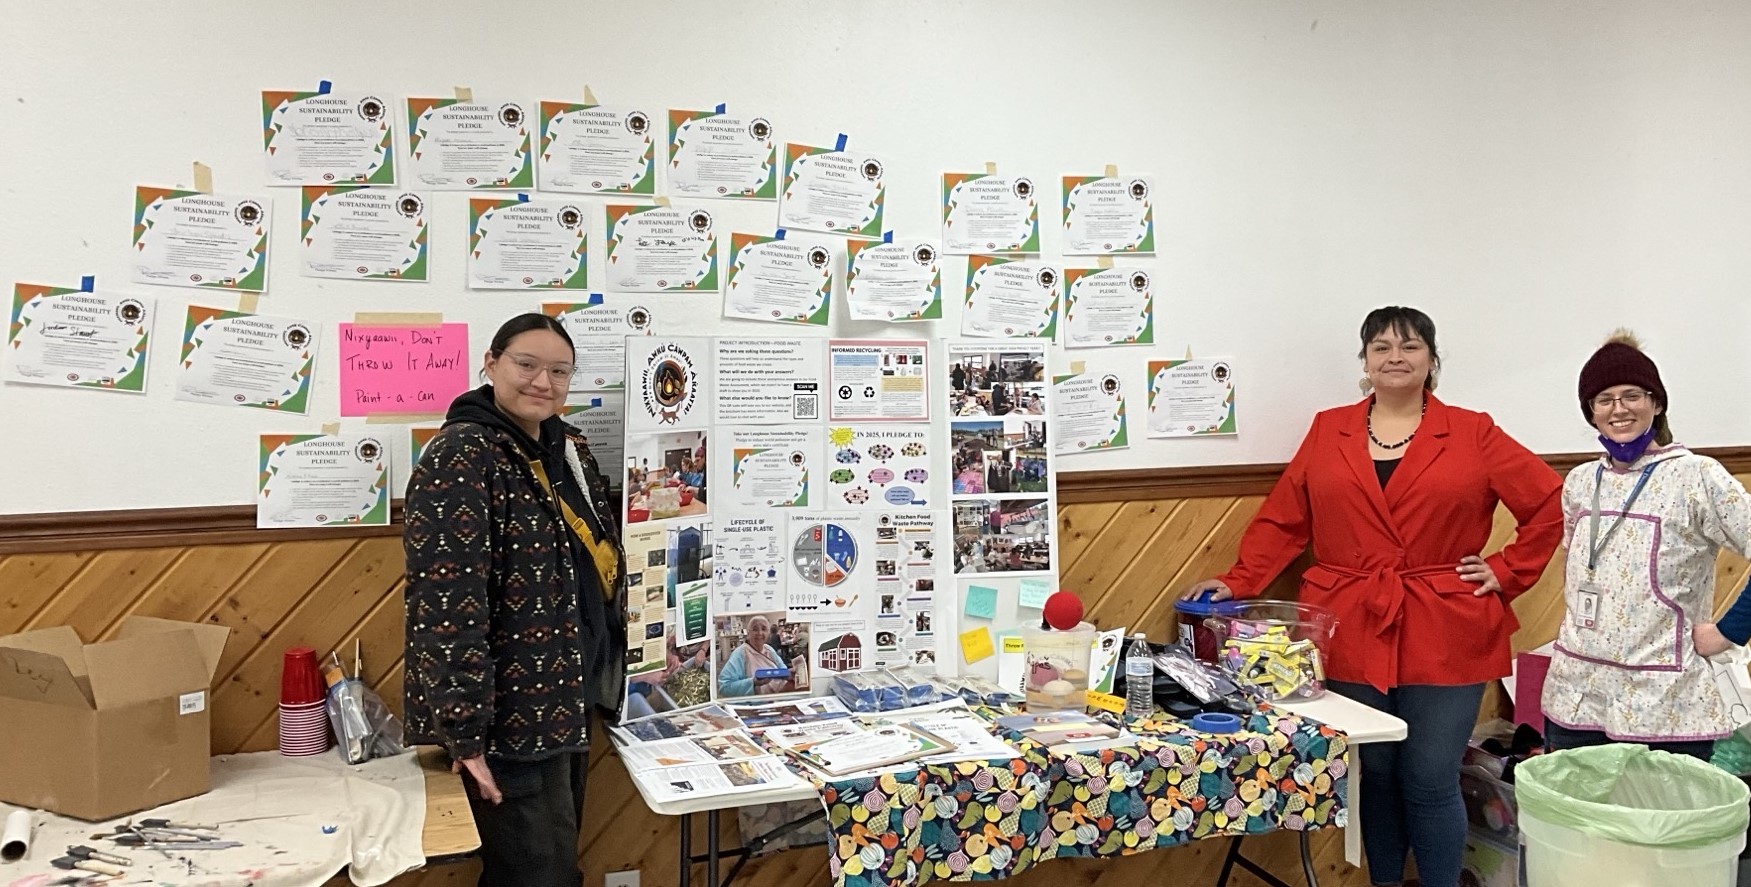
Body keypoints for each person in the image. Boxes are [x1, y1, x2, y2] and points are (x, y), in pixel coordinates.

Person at [1180, 306, 1562, 887]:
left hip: (1446, 620)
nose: (1395, 357)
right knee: (1376, 773)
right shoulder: (1328, 428)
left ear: (1432, 360)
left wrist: (1506, 571)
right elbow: (1286, 519)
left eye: (1410, 346)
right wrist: (1240, 579)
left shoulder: (1473, 430)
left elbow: (1549, 504)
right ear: (1365, 362)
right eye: (1381, 347)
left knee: (1431, 776)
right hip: (1349, 619)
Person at [403, 313, 625, 887]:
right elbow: (445, 606)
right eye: (526, 365)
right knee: (536, 874)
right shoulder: (460, 456)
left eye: (559, 371)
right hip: (506, 716)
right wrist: (463, 730)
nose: (542, 382)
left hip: (568, 695)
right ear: (491, 363)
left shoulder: (568, 447)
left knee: (547, 867)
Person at [1542, 331, 1751, 759]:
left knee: (1662, 823)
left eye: (1632, 395)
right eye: (1604, 399)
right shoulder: (1581, 482)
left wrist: (1731, 631)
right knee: (1582, 822)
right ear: (1591, 413)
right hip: (1577, 695)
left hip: (1666, 702)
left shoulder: (1696, 477)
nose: (1618, 409)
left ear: (1656, 403)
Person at [718, 615, 803, 696]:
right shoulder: (740, 653)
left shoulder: (769, 649)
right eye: (755, 629)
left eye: (764, 629)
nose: (760, 633)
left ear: (768, 633)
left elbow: (782, 670)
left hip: (779, 697)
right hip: (756, 704)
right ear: (748, 633)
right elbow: (724, 687)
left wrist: (789, 673)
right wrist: (753, 682)